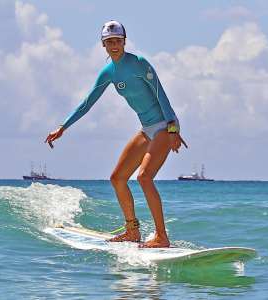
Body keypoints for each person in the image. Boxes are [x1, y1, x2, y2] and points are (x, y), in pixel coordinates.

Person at [45, 20, 187, 248]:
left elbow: (162, 95)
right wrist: (63, 127)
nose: (114, 45)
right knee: (118, 178)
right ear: (103, 45)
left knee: (143, 177)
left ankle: (161, 236)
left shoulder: (139, 64)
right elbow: (86, 103)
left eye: (118, 41)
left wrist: (172, 129)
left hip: (164, 125)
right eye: (109, 42)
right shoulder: (108, 72)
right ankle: (132, 231)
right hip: (146, 128)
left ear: (124, 41)